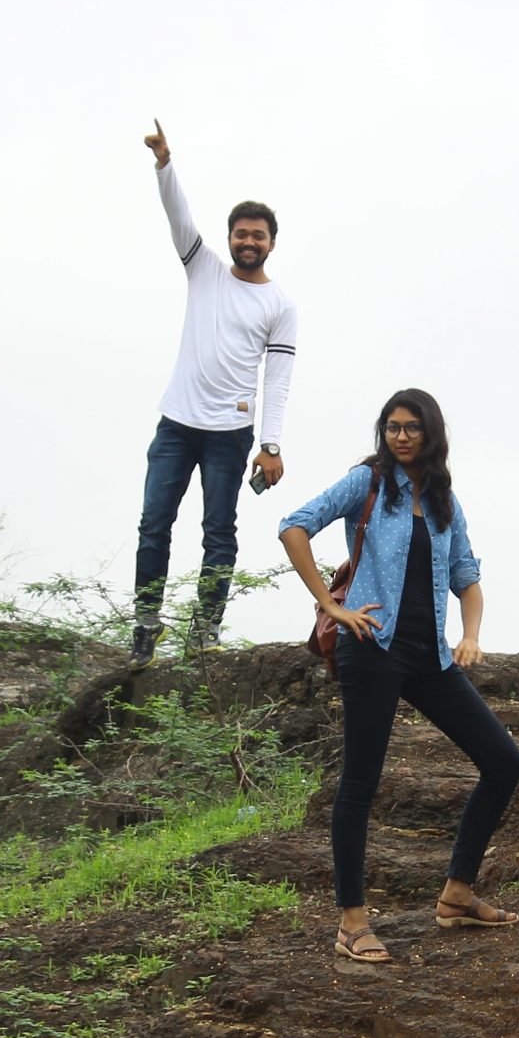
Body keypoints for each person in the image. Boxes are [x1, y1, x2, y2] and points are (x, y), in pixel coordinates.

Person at [280, 390, 519, 965]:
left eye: (412, 427)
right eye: (392, 427)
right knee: (360, 781)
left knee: (504, 761)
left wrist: (470, 635)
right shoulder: (366, 482)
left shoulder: (443, 500)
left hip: (430, 655)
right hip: (371, 645)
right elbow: (294, 526)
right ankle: (351, 920)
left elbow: (467, 574)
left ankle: (458, 893)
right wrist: (332, 606)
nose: (401, 436)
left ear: (431, 433)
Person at [134, 120, 298, 663]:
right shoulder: (203, 269)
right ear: (229, 238)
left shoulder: (280, 306)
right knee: (155, 523)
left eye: (258, 235)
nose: (249, 241)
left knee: (218, 532)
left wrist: (270, 444)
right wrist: (164, 163)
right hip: (178, 422)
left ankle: (204, 629)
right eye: (241, 233)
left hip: (230, 433)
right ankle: (145, 622)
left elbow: (277, 378)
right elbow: (177, 216)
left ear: (271, 243)